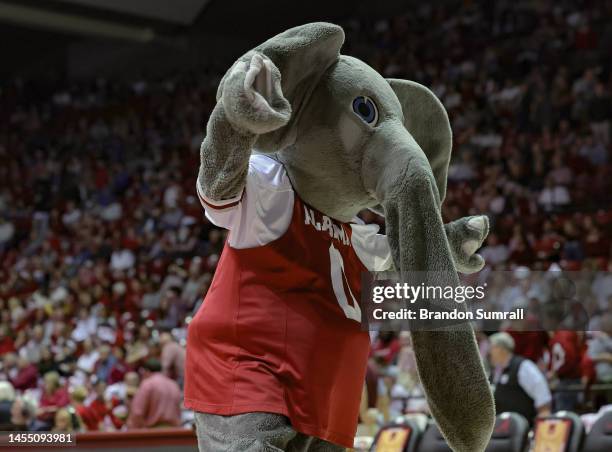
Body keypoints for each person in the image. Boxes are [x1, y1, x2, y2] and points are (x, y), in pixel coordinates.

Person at [489, 332, 551, 424]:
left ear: (502, 349)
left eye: (492, 348)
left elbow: (541, 392)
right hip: (501, 427)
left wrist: (542, 420)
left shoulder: (523, 366)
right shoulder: (496, 371)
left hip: (523, 427)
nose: (489, 352)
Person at [127, 358, 182, 429]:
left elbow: (137, 412)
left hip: (154, 433)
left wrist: (135, 429)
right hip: (175, 432)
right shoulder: (173, 384)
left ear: (146, 371)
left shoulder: (147, 384)